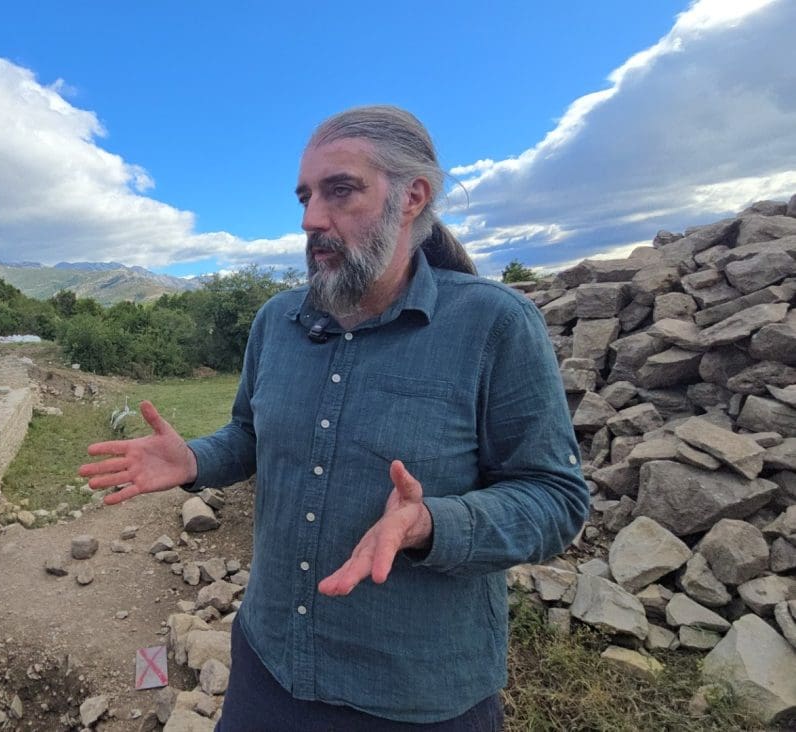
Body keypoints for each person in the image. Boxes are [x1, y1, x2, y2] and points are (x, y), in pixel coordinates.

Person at [79, 105, 589, 730]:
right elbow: (249, 435)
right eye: (305, 197)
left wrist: (431, 523)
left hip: (416, 696)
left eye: (340, 191)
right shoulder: (277, 322)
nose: (311, 219)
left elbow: (555, 498)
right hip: (269, 667)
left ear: (412, 197)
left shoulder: (495, 325)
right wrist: (194, 460)